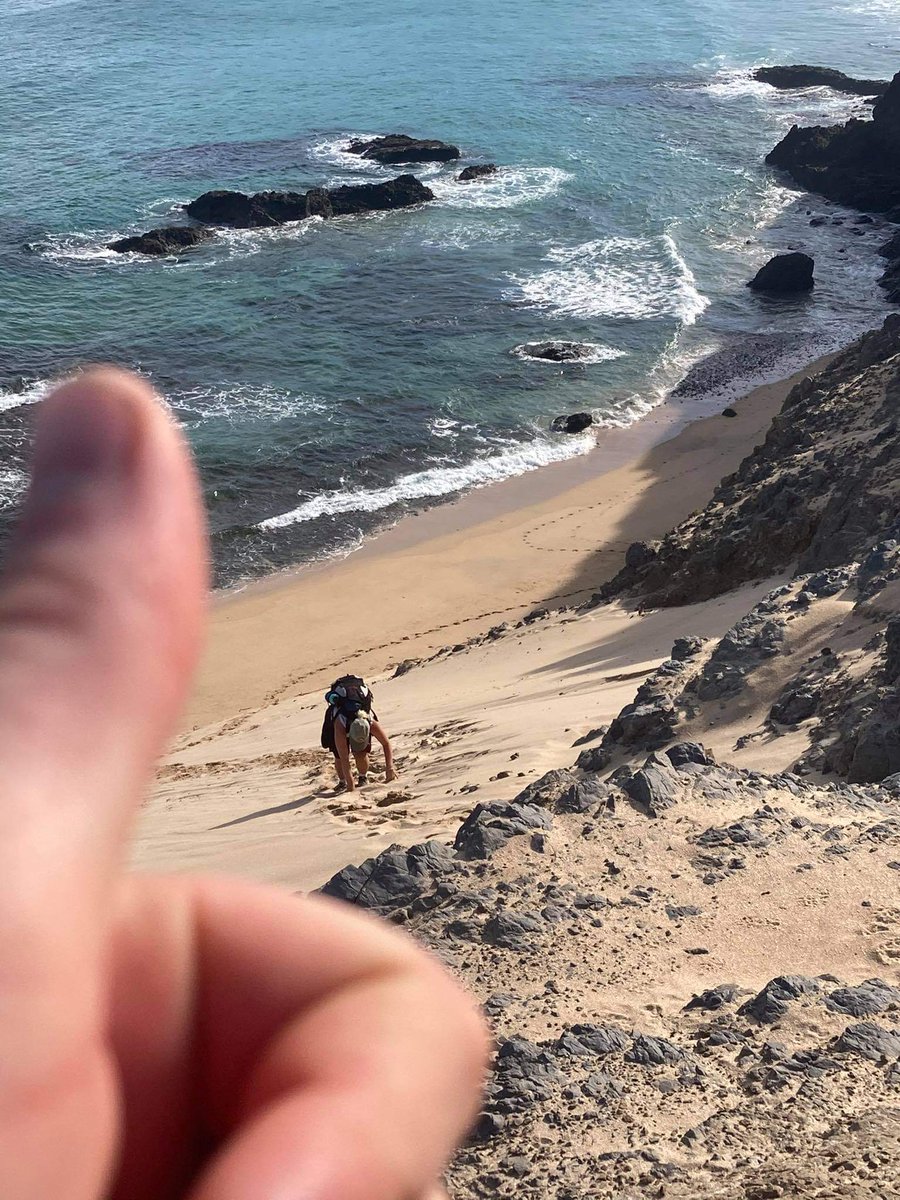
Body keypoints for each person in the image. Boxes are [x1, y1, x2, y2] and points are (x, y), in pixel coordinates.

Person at [0, 368, 486, 1199]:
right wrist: (388, 763)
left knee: (343, 769)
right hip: (364, 762)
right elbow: (374, 734)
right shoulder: (368, 707)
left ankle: (349, 793)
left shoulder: (341, 713)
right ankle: (356, 791)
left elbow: (341, 741)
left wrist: (357, 766)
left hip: (346, 757)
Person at [321, 674, 397, 791]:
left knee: (361, 753)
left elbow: (386, 744)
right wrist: (350, 783)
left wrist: (390, 768)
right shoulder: (339, 725)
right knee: (339, 757)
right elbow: (344, 757)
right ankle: (342, 782)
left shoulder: (370, 721)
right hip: (338, 721)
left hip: (360, 719)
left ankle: (363, 777)